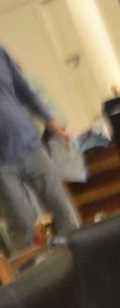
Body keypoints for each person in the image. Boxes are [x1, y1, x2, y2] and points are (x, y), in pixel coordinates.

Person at [0, 47, 80, 252]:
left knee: (61, 206)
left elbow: (26, 91)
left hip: (30, 144)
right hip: (2, 165)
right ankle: (32, 276)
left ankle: (79, 253)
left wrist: (52, 124)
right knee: (22, 221)